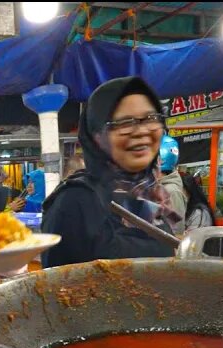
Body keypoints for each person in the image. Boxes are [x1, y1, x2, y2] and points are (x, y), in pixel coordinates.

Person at [41, 76, 178, 267]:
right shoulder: (73, 202)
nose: (141, 131)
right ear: (97, 137)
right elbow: (51, 288)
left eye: (150, 118)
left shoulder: (154, 195)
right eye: (124, 123)